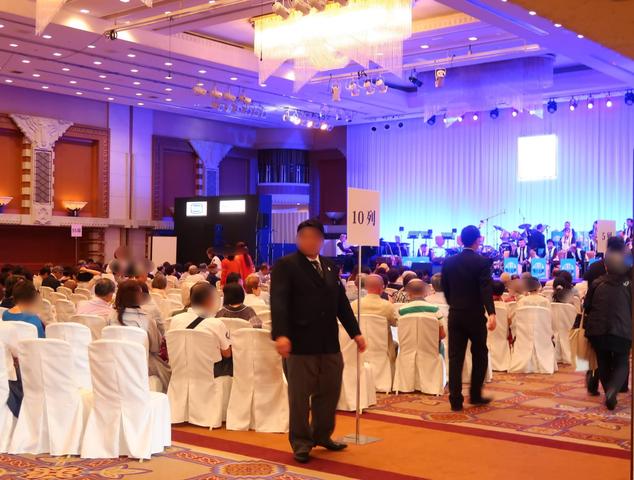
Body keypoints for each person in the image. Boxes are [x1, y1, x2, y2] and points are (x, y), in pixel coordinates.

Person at [270, 219, 366, 463]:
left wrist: (355, 332)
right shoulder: (286, 265)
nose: (310, 241)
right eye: (305, 236)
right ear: (298, 239)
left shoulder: (330, 266)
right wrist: (281, 334)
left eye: (314, 237)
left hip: (329, 342)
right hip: (299, 343)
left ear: (322, 241)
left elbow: (341, 303)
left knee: (330, 392)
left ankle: (322, 435)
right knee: (300, 397)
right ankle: (301, 443)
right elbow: (278, 302)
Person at [441, 225, 496, 411]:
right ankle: (475, 395)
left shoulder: (449, 262)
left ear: (461, 240)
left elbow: (445, 288)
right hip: (475, 315)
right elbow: (485, 289)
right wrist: (491, 312)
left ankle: (455, 400)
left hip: (455, 313)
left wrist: (454, 304)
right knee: (480, 354)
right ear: (477, 240)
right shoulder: (482, 262)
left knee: (455, 357)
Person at [583, 254, 631, 410]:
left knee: (603, 361)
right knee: (622, 362)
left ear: (606, 267)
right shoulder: (628, 284)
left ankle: (609, 392)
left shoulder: (597, 283)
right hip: (622, 328)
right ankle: (612, 391)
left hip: (597, 329)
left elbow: (587, 306)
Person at [109, 280, 171, 391]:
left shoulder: (111, 316)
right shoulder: (147, 318)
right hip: (142, 364)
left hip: (116, 361)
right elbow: (155, 347)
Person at [170, 282, 232, 377]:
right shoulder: (216, 324)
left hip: (180, 371)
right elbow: (227, 354)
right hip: (210, 374)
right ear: (209, 300)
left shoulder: (175, 320)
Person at [350, 274, 397, 363]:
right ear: (382, 288)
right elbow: (396, 323)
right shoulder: (387, 306)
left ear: (366, 287)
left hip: (359, 348)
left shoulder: (354, 305)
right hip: (383, 351)